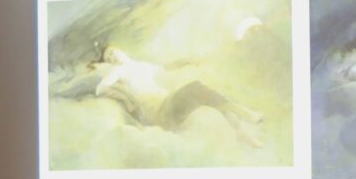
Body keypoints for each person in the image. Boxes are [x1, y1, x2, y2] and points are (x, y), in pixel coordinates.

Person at [57, 44, 264, 148]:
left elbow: (165, 69)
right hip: (161, 113)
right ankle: (245, 114)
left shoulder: (141, 66)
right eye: (109, 58)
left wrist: (187, 61)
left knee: (206, 93)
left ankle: (240, 131)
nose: (114, 57)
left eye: (114, 51)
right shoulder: (118, 71)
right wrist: (126, 98)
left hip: (169, 105)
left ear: (121, 49)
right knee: (198, 88)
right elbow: (100, 89)